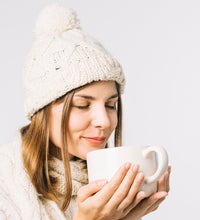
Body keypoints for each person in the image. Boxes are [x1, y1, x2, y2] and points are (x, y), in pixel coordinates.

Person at [0, 3, 171, 220]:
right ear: (42, 109)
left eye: (111, 105)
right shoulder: (5, 186)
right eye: (82, 105)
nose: (105, 122)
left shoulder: (108, 189)